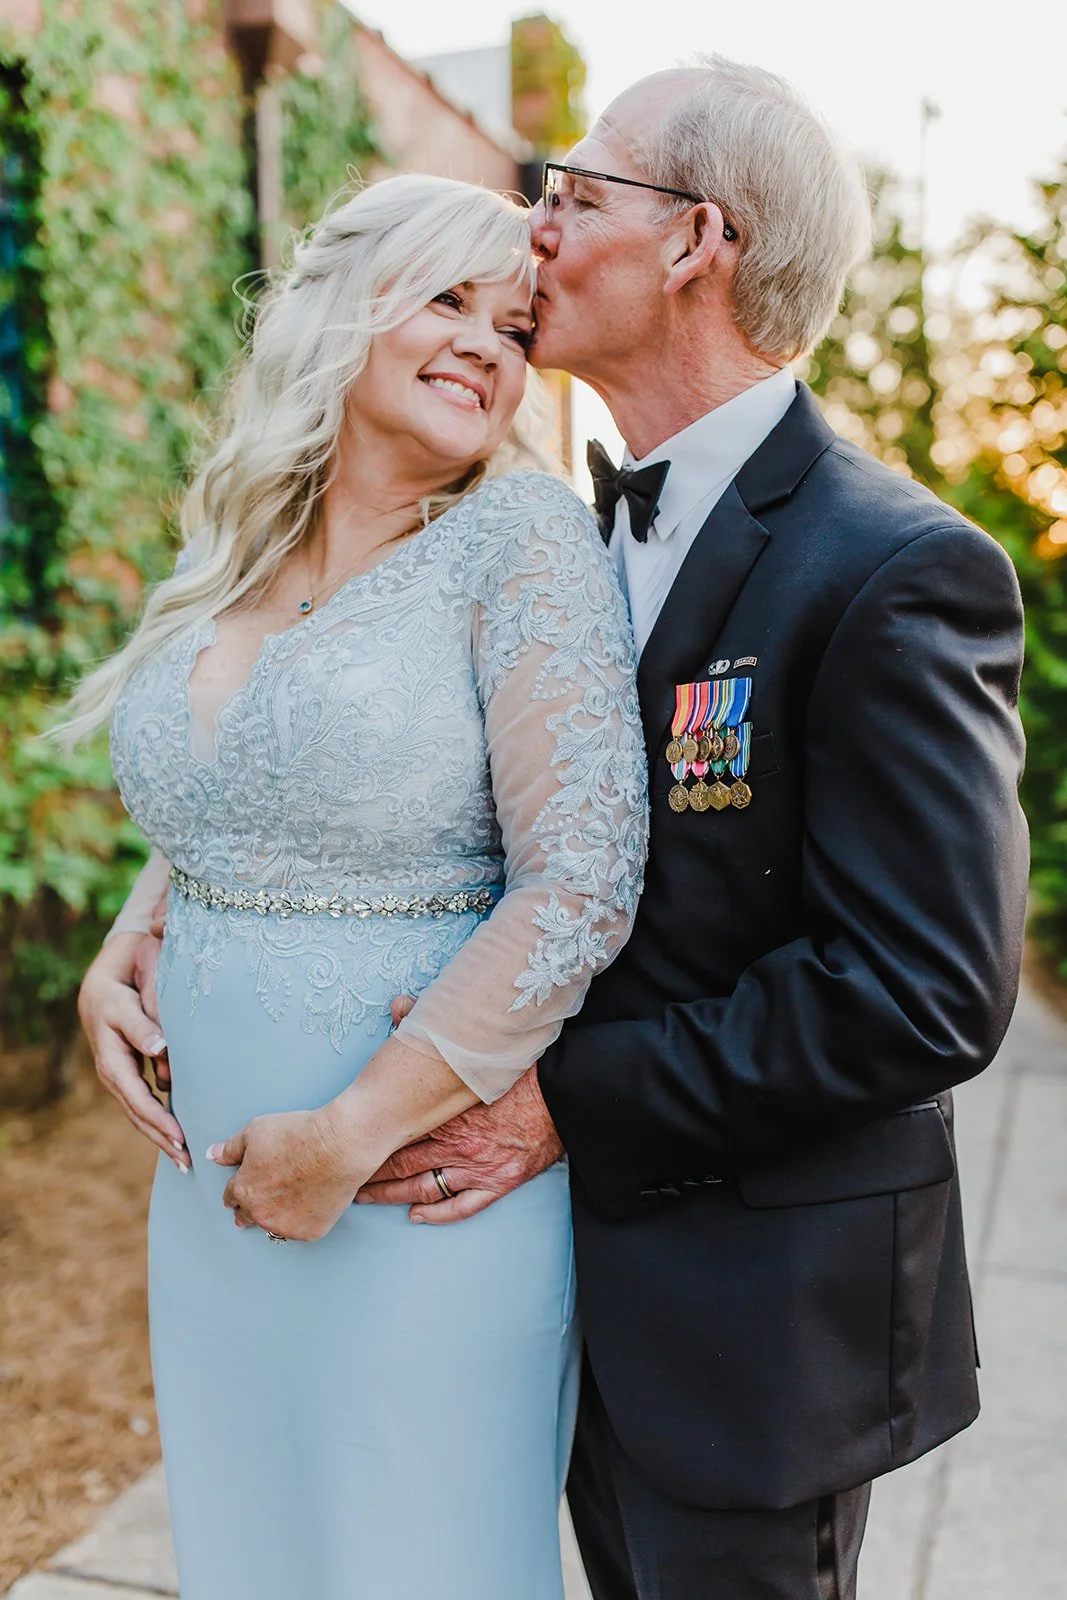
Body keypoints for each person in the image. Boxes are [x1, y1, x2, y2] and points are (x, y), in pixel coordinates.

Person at [358, 59, 1030, 1600]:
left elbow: (919, 989)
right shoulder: (547, 538)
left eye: (572, 196)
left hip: (754, 1325)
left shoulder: (895, 567)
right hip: (561, 1295)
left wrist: (561, 1104)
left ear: (692, 243)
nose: (532, 232)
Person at [72, 173, 648, 1600]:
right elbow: (236, 791)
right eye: (445, 299)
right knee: (250, 1554)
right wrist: (127, 938)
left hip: (406, 1193)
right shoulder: (241, 553)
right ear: (342, 306)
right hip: (211, 1214)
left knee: (415, 1560)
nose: (484, 346)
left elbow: (579, 881)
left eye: (511, 325)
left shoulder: (518, 545)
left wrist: (345, 1137)